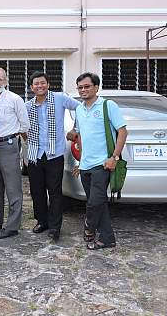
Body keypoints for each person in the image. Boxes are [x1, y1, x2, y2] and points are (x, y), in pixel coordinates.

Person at [71, 72, 127, 250]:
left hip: (103, 164)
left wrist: (114, 158)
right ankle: (107, 238)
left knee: (95, 201)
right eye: (80, 87)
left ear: (96, 87)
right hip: (86, 165)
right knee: (98, 202)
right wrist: (80, 162)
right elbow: (81, 137)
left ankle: (89, 225)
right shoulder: (79, 109)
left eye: (87, 86)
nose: (83, 90)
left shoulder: (107, 105)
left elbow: (123, 132)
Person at [25, 71, 80, 241]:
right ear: (31, 87)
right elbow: (20, 123)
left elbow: (80, 108)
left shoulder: (60, 98)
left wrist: (75, 129)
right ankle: (42, 221)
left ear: (48, 84)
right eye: (36, 83)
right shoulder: (28, 106)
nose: (39, 86)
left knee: (55, 191)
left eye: (42, 83)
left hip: (54, 154)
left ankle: (55, 226)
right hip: (35, 154)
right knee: (36, 191)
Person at [0, 67, 30, 239]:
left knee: (13, 187)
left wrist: (14, 136)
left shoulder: (15, 99)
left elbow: (25, 124)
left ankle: (12, 226)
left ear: (6, 81)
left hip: (8, 145)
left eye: (0, 80)